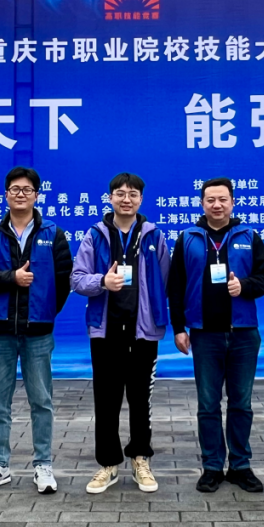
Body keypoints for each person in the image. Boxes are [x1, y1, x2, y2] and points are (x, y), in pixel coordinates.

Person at [0, 166, 73, 495]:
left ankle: (43, 465)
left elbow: (64, 281)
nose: (21, 194)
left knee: (41, 401)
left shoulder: (53, 233)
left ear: (36, 195)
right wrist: (11, 278)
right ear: (6, 194)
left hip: (38, 333)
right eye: (15, 189)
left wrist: (45, 312)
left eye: (27, 189)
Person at [168, 178, 264, 493]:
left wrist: (244, 286)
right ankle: (212, 466)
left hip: (243, 333)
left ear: (232, 202)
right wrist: (179, 328)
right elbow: (176, 286)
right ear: (202, 203)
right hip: (204, 335)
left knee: (241, 403)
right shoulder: (188, 238)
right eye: (211, 199)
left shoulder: (249, 236)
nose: (217, 205)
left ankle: (240, 465)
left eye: (223, 199)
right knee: (208, 404)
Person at [70, 173, 170, 494]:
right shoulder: (95, 235)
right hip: (106, 331)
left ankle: (140, 458)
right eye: (120, 193)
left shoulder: (154, 236)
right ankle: (108, 464)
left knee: (140, 400)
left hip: (143, 332)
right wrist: (102, 281)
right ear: (110, 197)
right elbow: (77, 279)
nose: (126, 199)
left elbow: (165, 280)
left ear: (141, 199)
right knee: (107, 400)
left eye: (133, 194)